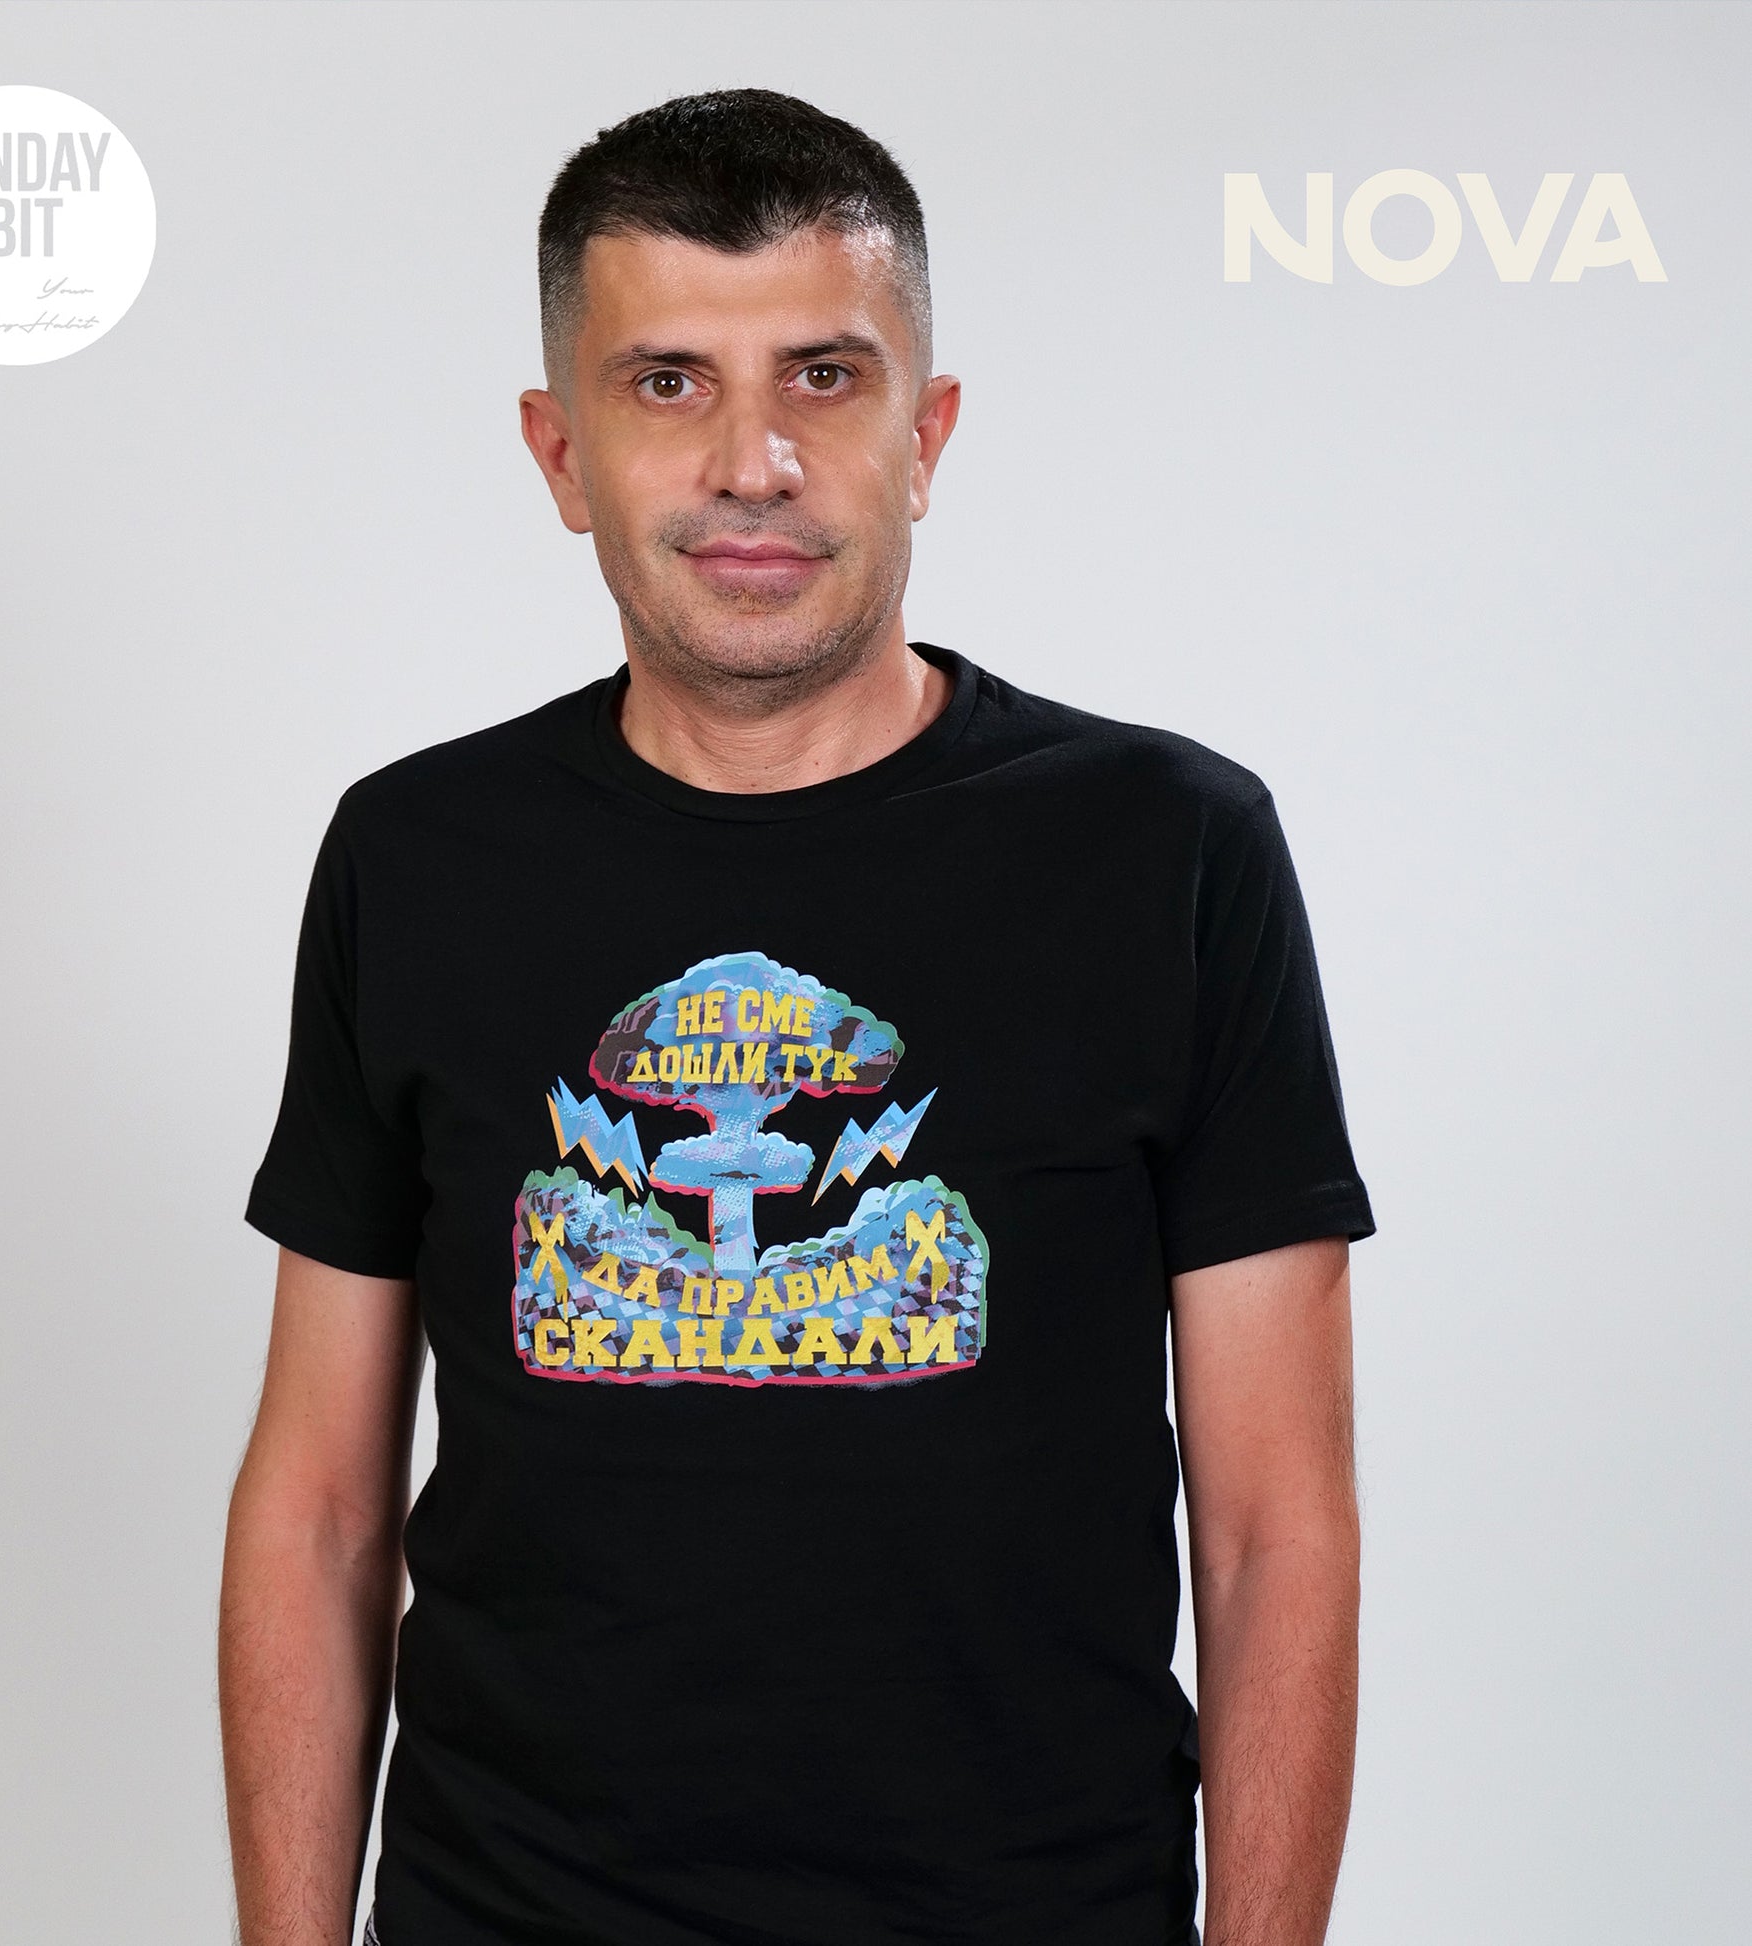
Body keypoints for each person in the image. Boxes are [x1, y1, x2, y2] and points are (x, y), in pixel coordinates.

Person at [218, 88, 1375, 1946]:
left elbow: (1273, 1527)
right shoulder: (414, 856)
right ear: (559, 451)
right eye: (666, 381)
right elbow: (320, 1505)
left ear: (925, 436)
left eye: (822, 378)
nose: (751, 460)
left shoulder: (1169, 850)